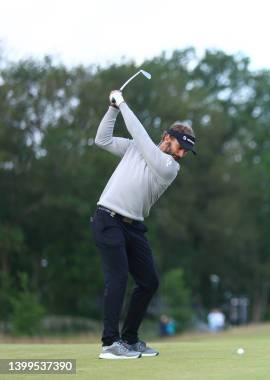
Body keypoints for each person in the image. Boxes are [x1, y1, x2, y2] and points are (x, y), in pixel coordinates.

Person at [91, 90, 196, 359]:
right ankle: (110, 343)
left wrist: (123, 102)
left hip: (134, 226)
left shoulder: (169, 167)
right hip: (108, 218)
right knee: (118, 277)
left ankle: (130, 338)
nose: (182, 153)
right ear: (167, 138)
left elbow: (140, 137)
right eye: (180, 147)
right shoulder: (136, 149)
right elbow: (101, 140)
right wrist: (113, 108)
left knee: (149, 282)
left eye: (186, 151)